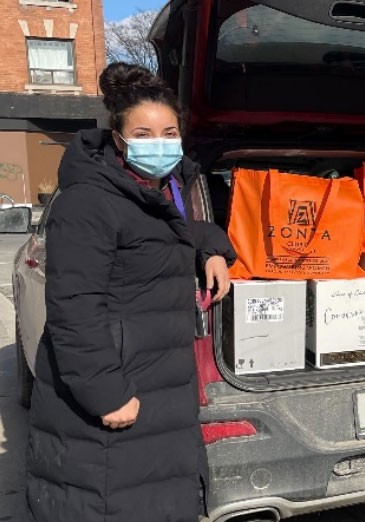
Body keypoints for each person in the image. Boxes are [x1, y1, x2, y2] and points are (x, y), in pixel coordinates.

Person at [25, 63, 236, 522]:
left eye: (169, 132)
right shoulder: (88, 201)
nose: (159, 142)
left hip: (158, 393)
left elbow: (170, 233)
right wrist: (106, 393)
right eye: (144, 132)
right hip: (115, 399)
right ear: (118, 139)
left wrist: (213, 247)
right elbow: (74, 310)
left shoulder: (150, 197)